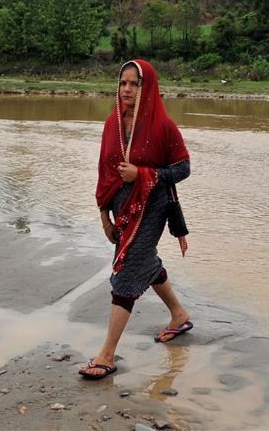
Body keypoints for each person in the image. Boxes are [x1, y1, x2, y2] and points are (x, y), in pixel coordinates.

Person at [79, 59, 193, 380]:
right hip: (119, 211)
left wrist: (143, 174)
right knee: (145, 262)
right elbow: (104, 174)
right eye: (123, 83)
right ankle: (179, 315)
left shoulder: (163, 127)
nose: (126, 89)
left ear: (148, 88)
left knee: (127, 272)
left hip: (152, 209)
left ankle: (106, 354)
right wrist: (104, 217)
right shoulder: (111, 124)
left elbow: (183, 168)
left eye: (134, 84)